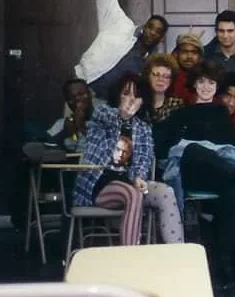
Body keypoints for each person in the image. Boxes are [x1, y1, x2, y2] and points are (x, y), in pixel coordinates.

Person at [144, 59, 235, 287]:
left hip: (221, 175)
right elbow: (158, 141)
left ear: (217, 86)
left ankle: (224, 264)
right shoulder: (182, 113)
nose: (206, 87)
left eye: (211, 82)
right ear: (194, 85)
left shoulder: (220, 112)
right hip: (192, 172)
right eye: (202, 82)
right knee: (194, 149)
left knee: (233, 192)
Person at [74, 74, 184, 245]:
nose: (131, 99)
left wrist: (139, 177)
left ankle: (177, 253)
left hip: (129, 182)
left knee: (166, 192)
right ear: (118, 95)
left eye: (137, 95)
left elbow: (143, 159)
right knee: (133, 194)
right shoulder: (103, 113)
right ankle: (131, 257)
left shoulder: (143, 128)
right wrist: (122, 115)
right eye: (126, 93)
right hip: (99, 182)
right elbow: (104, 117)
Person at [74, 0, 169, 100]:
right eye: (150, 27)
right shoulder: (120, 25)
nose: (152, 33)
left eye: (158, 31)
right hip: (82, 88)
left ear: (162, 38)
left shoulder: (150, 62)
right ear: (144, 26)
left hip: (109, 103)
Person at [170, 32, 203, 103]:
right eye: (184, 52)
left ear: (200, 57)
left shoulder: (206, 78)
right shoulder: (168, 76)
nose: (189, 56)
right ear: (176, 54)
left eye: (194, 52)